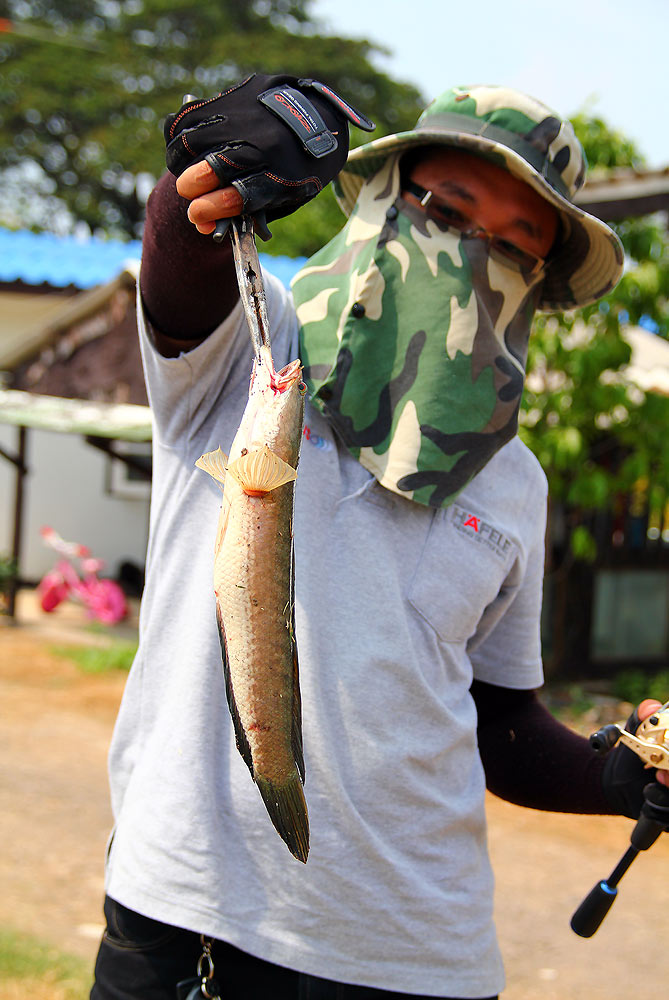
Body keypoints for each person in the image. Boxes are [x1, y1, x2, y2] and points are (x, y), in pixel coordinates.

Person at [91, 77, 667, 1000]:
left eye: (519, 240)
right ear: (382, 195)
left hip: (421, 956)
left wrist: (625, 780)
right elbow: (181, 251)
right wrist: (209, 170)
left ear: (541, 281)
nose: (479, 247)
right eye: (449, 205)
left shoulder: (515, 479)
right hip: (193, 920)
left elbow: (497, 723)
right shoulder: (256, 348)